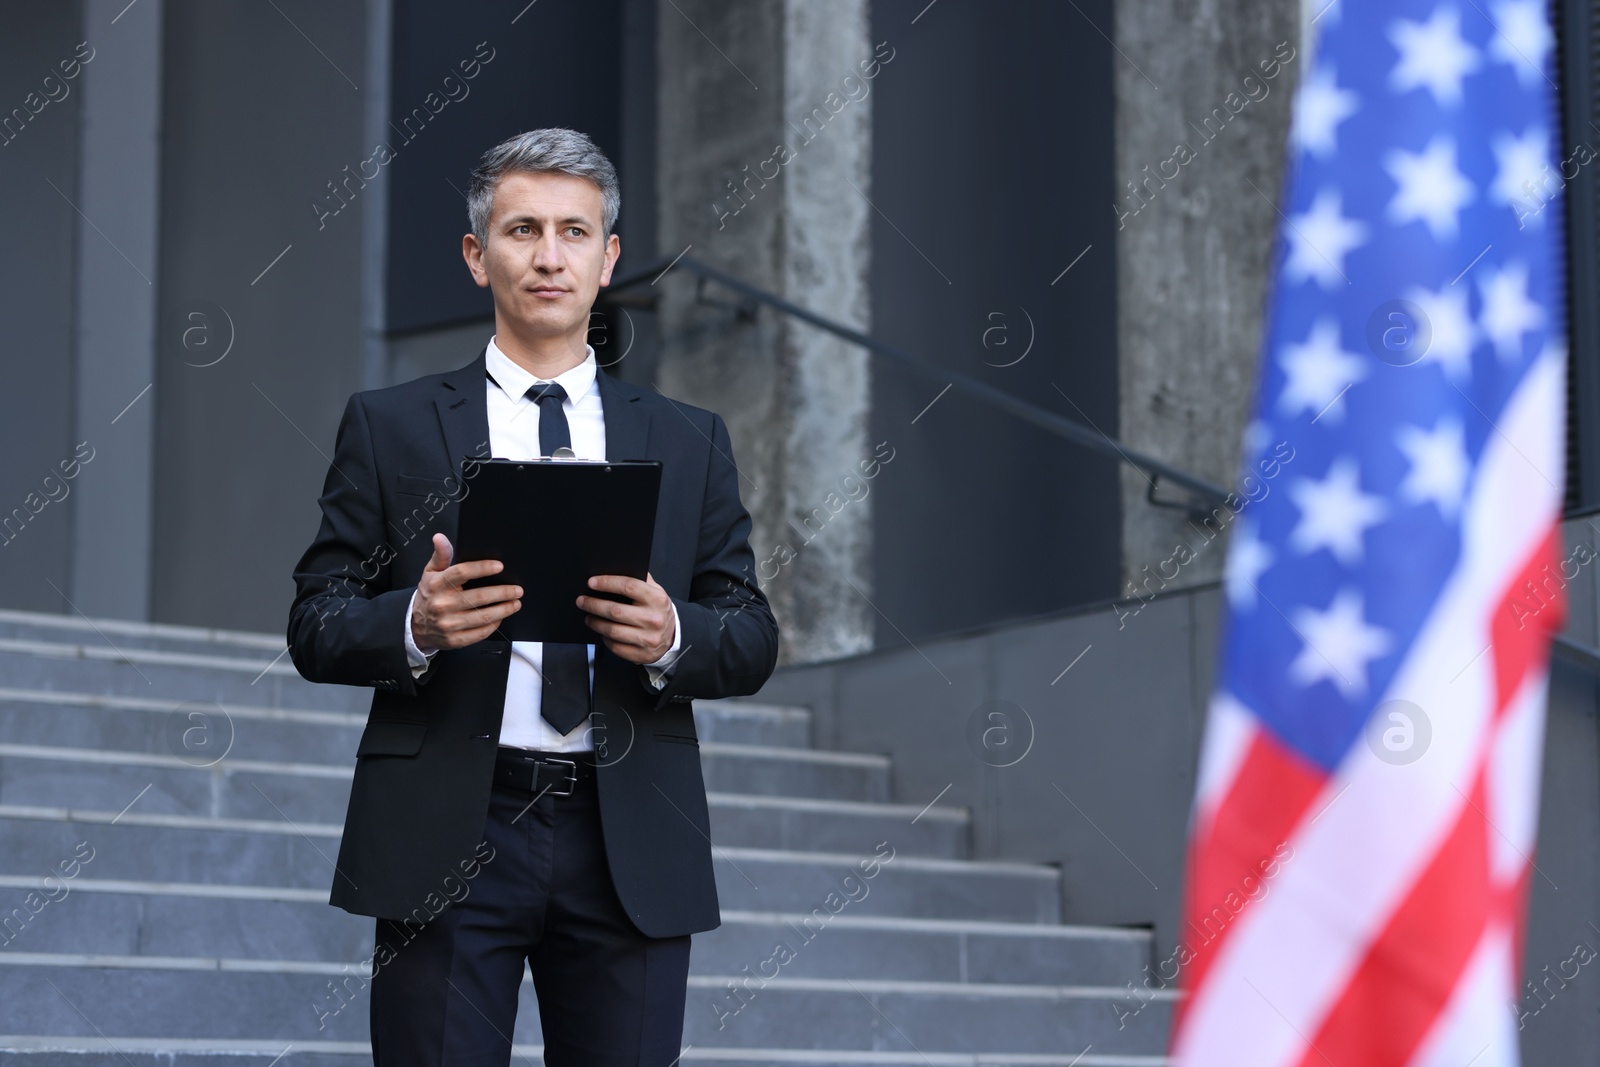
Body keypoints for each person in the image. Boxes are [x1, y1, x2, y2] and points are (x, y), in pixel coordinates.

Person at [287, 126, 779, 1066]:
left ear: (609, 258)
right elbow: (314, 621)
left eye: (573, 232)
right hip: (446, 831)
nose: (549, 256)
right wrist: (414, 624)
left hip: (625, 834)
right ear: (478, 257)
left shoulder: (688, 438)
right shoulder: (389, 427)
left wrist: (674, 632)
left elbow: (751, 635)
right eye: (521, 231)